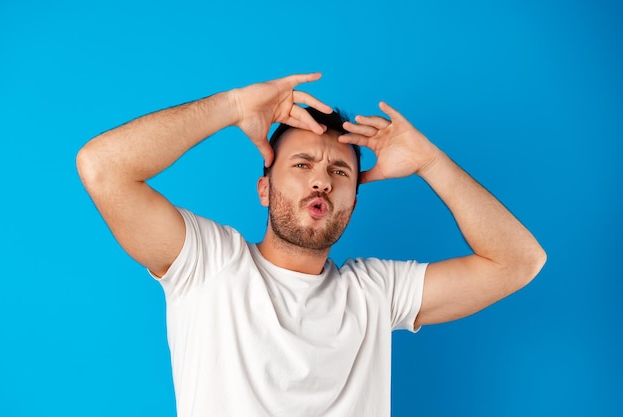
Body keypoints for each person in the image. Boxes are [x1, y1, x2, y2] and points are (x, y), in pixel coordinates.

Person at [76, 73, 546, 417]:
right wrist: (234, 106)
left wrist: (431, 162)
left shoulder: (375, 291)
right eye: (301, 164)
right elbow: (102, 168)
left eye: (339, 172)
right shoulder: (207, 262)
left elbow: (518, 261)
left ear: (353, 200)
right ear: (265, 189)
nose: (321, 180)